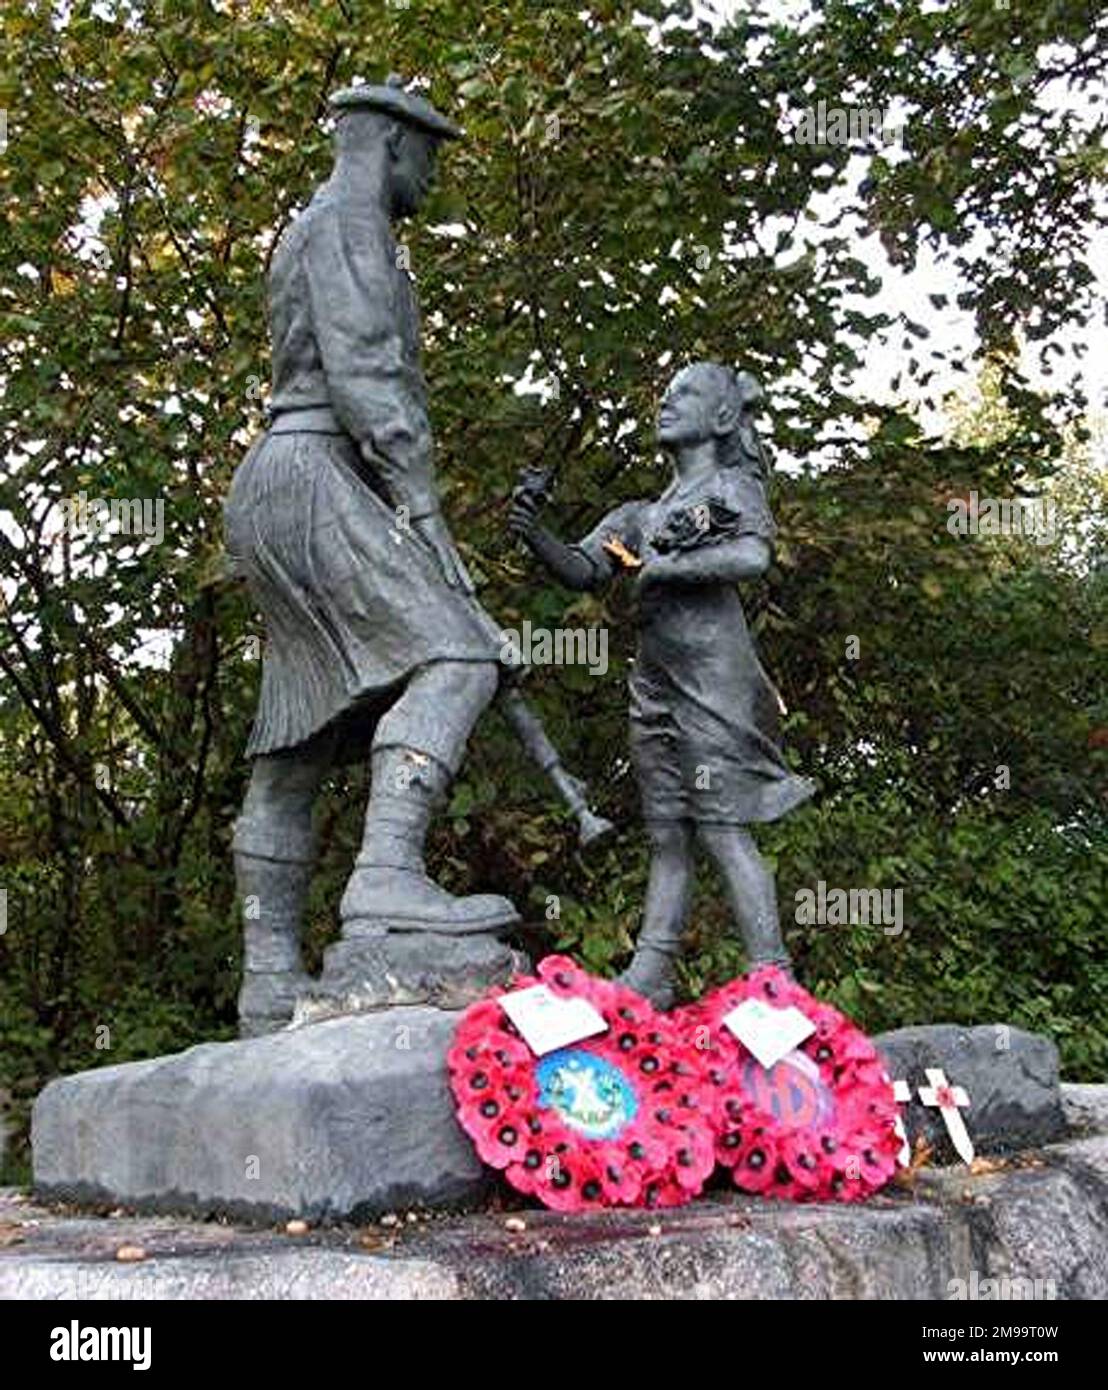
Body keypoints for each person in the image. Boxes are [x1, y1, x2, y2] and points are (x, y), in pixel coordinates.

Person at [224, 78, 516, 1036]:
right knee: (459, 655)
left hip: (278, 482)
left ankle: (269, 983)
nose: (432, 175)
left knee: (295, 739)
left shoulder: (311, 223)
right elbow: (366, 372)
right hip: (316, 475)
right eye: (428, 153)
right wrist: (421, 505)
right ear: (392, 144)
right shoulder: (352, 220)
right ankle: (387, 882)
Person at [510, 362, 814, 1006]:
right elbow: (586, 569)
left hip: (714, 677)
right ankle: (652, 971)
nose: (666, 404)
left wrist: (667, 569)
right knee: (667, 831)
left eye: (685, 395)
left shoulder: (731, 487)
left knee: (723, 825)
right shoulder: (638, 516)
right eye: (665, 394)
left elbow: (752, 556)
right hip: (654, 684)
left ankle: (773, 975)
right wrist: (535, 529)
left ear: (724, 418)